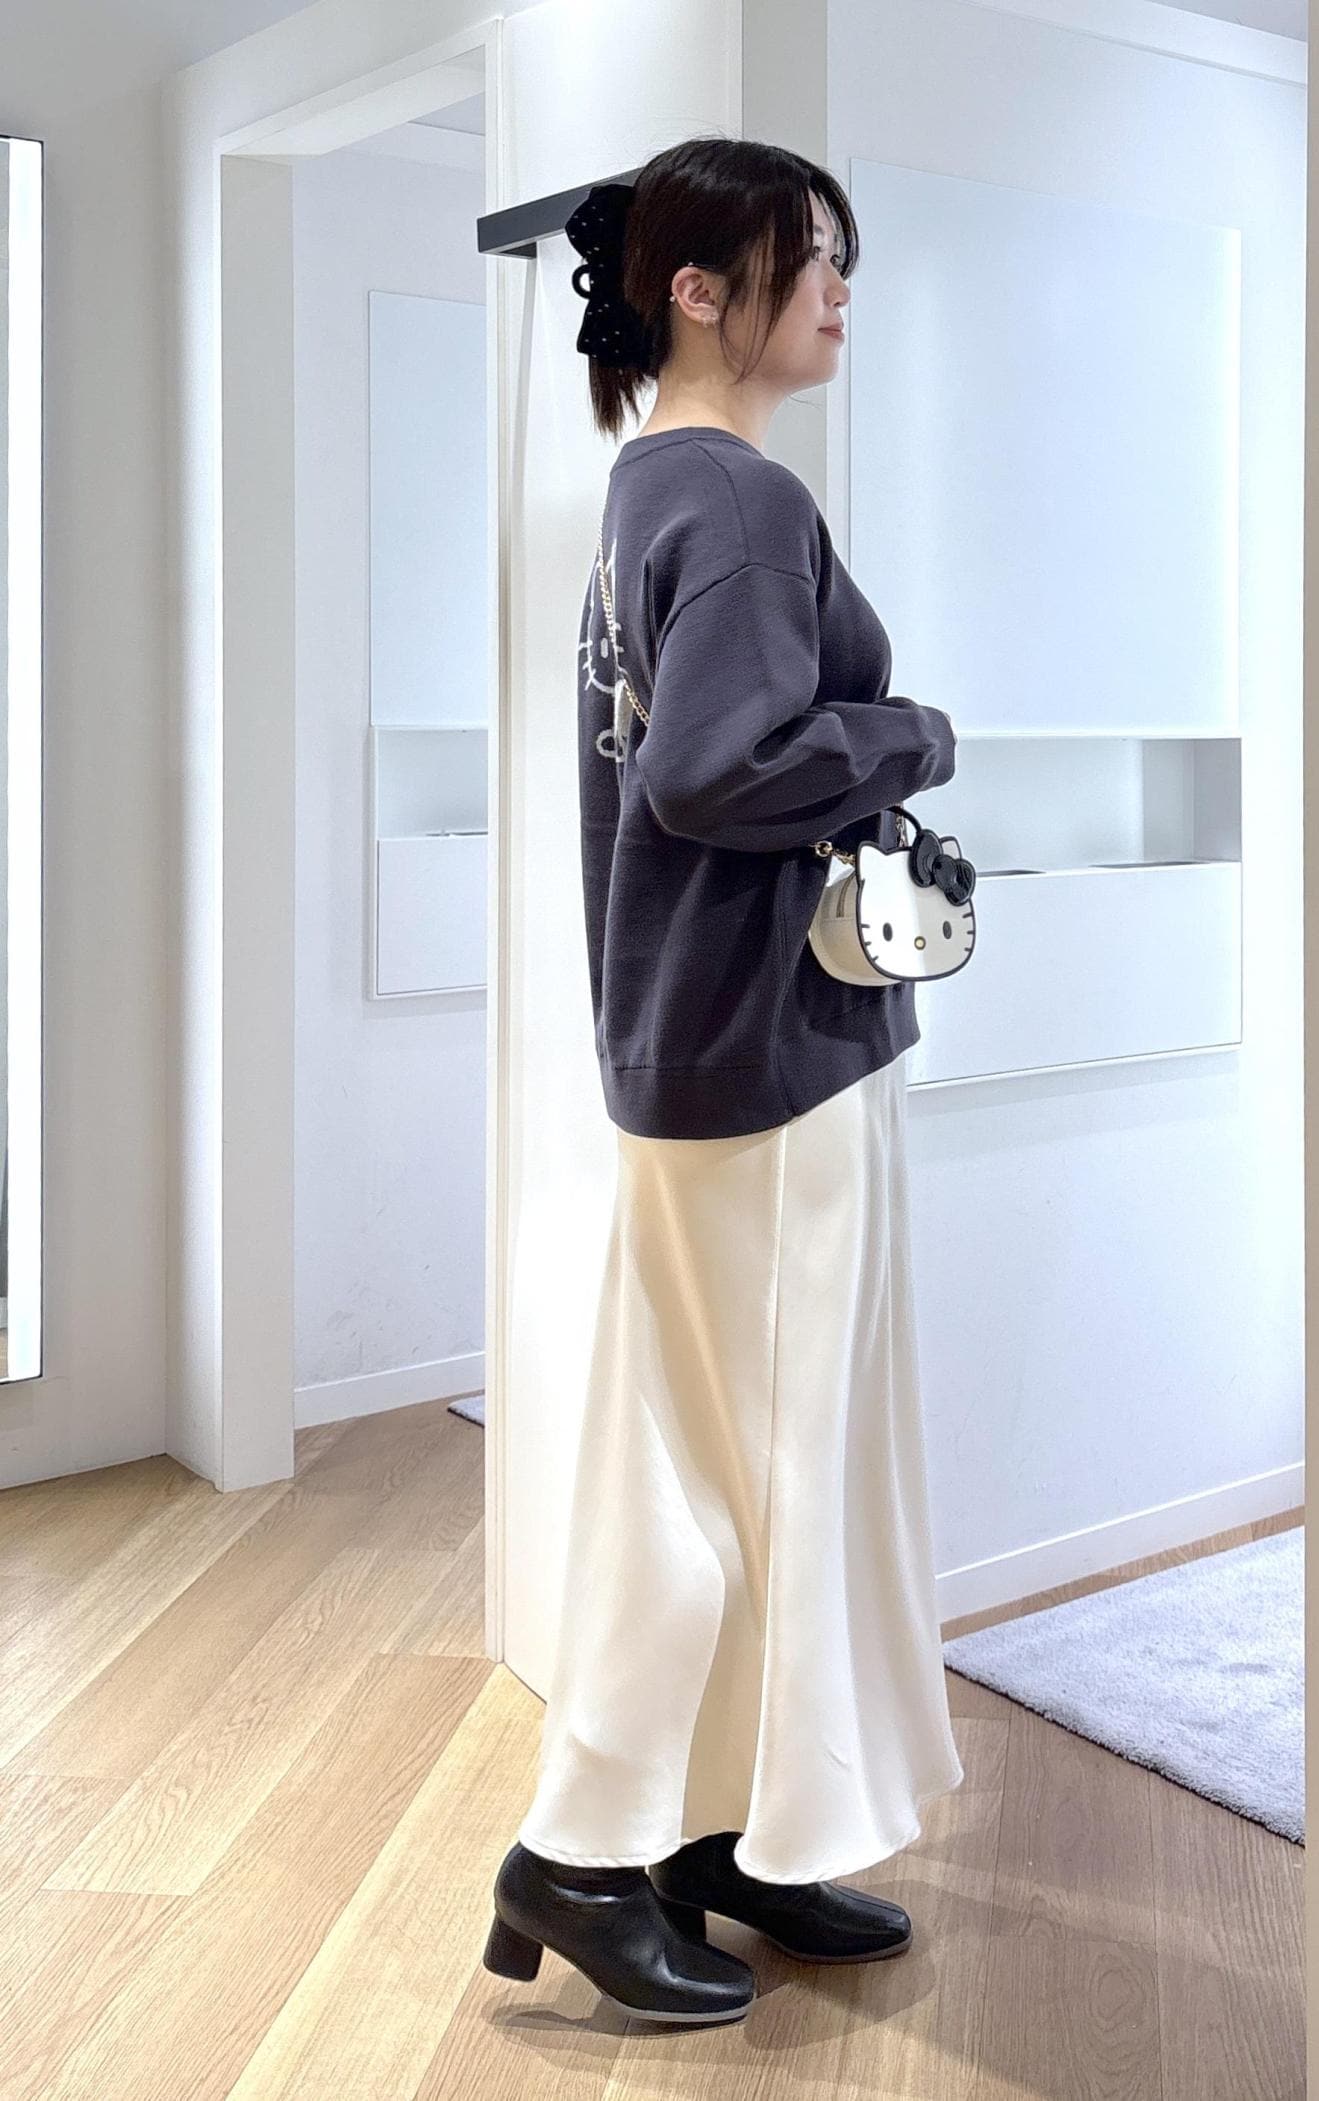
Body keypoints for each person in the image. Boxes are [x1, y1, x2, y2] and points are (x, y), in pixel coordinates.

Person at [481, 135, 965, 2028]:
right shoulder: (740, 499)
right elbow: (708, 771)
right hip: (767, 1052)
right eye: (810, 257)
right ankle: (582, 1849)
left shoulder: (651, 490)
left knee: (741, 1459)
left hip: (703, 1040)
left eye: (845, 257)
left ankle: (723, 1831)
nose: (841, 290)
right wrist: (911, 731)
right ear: (698, 290)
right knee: (729, 1466)